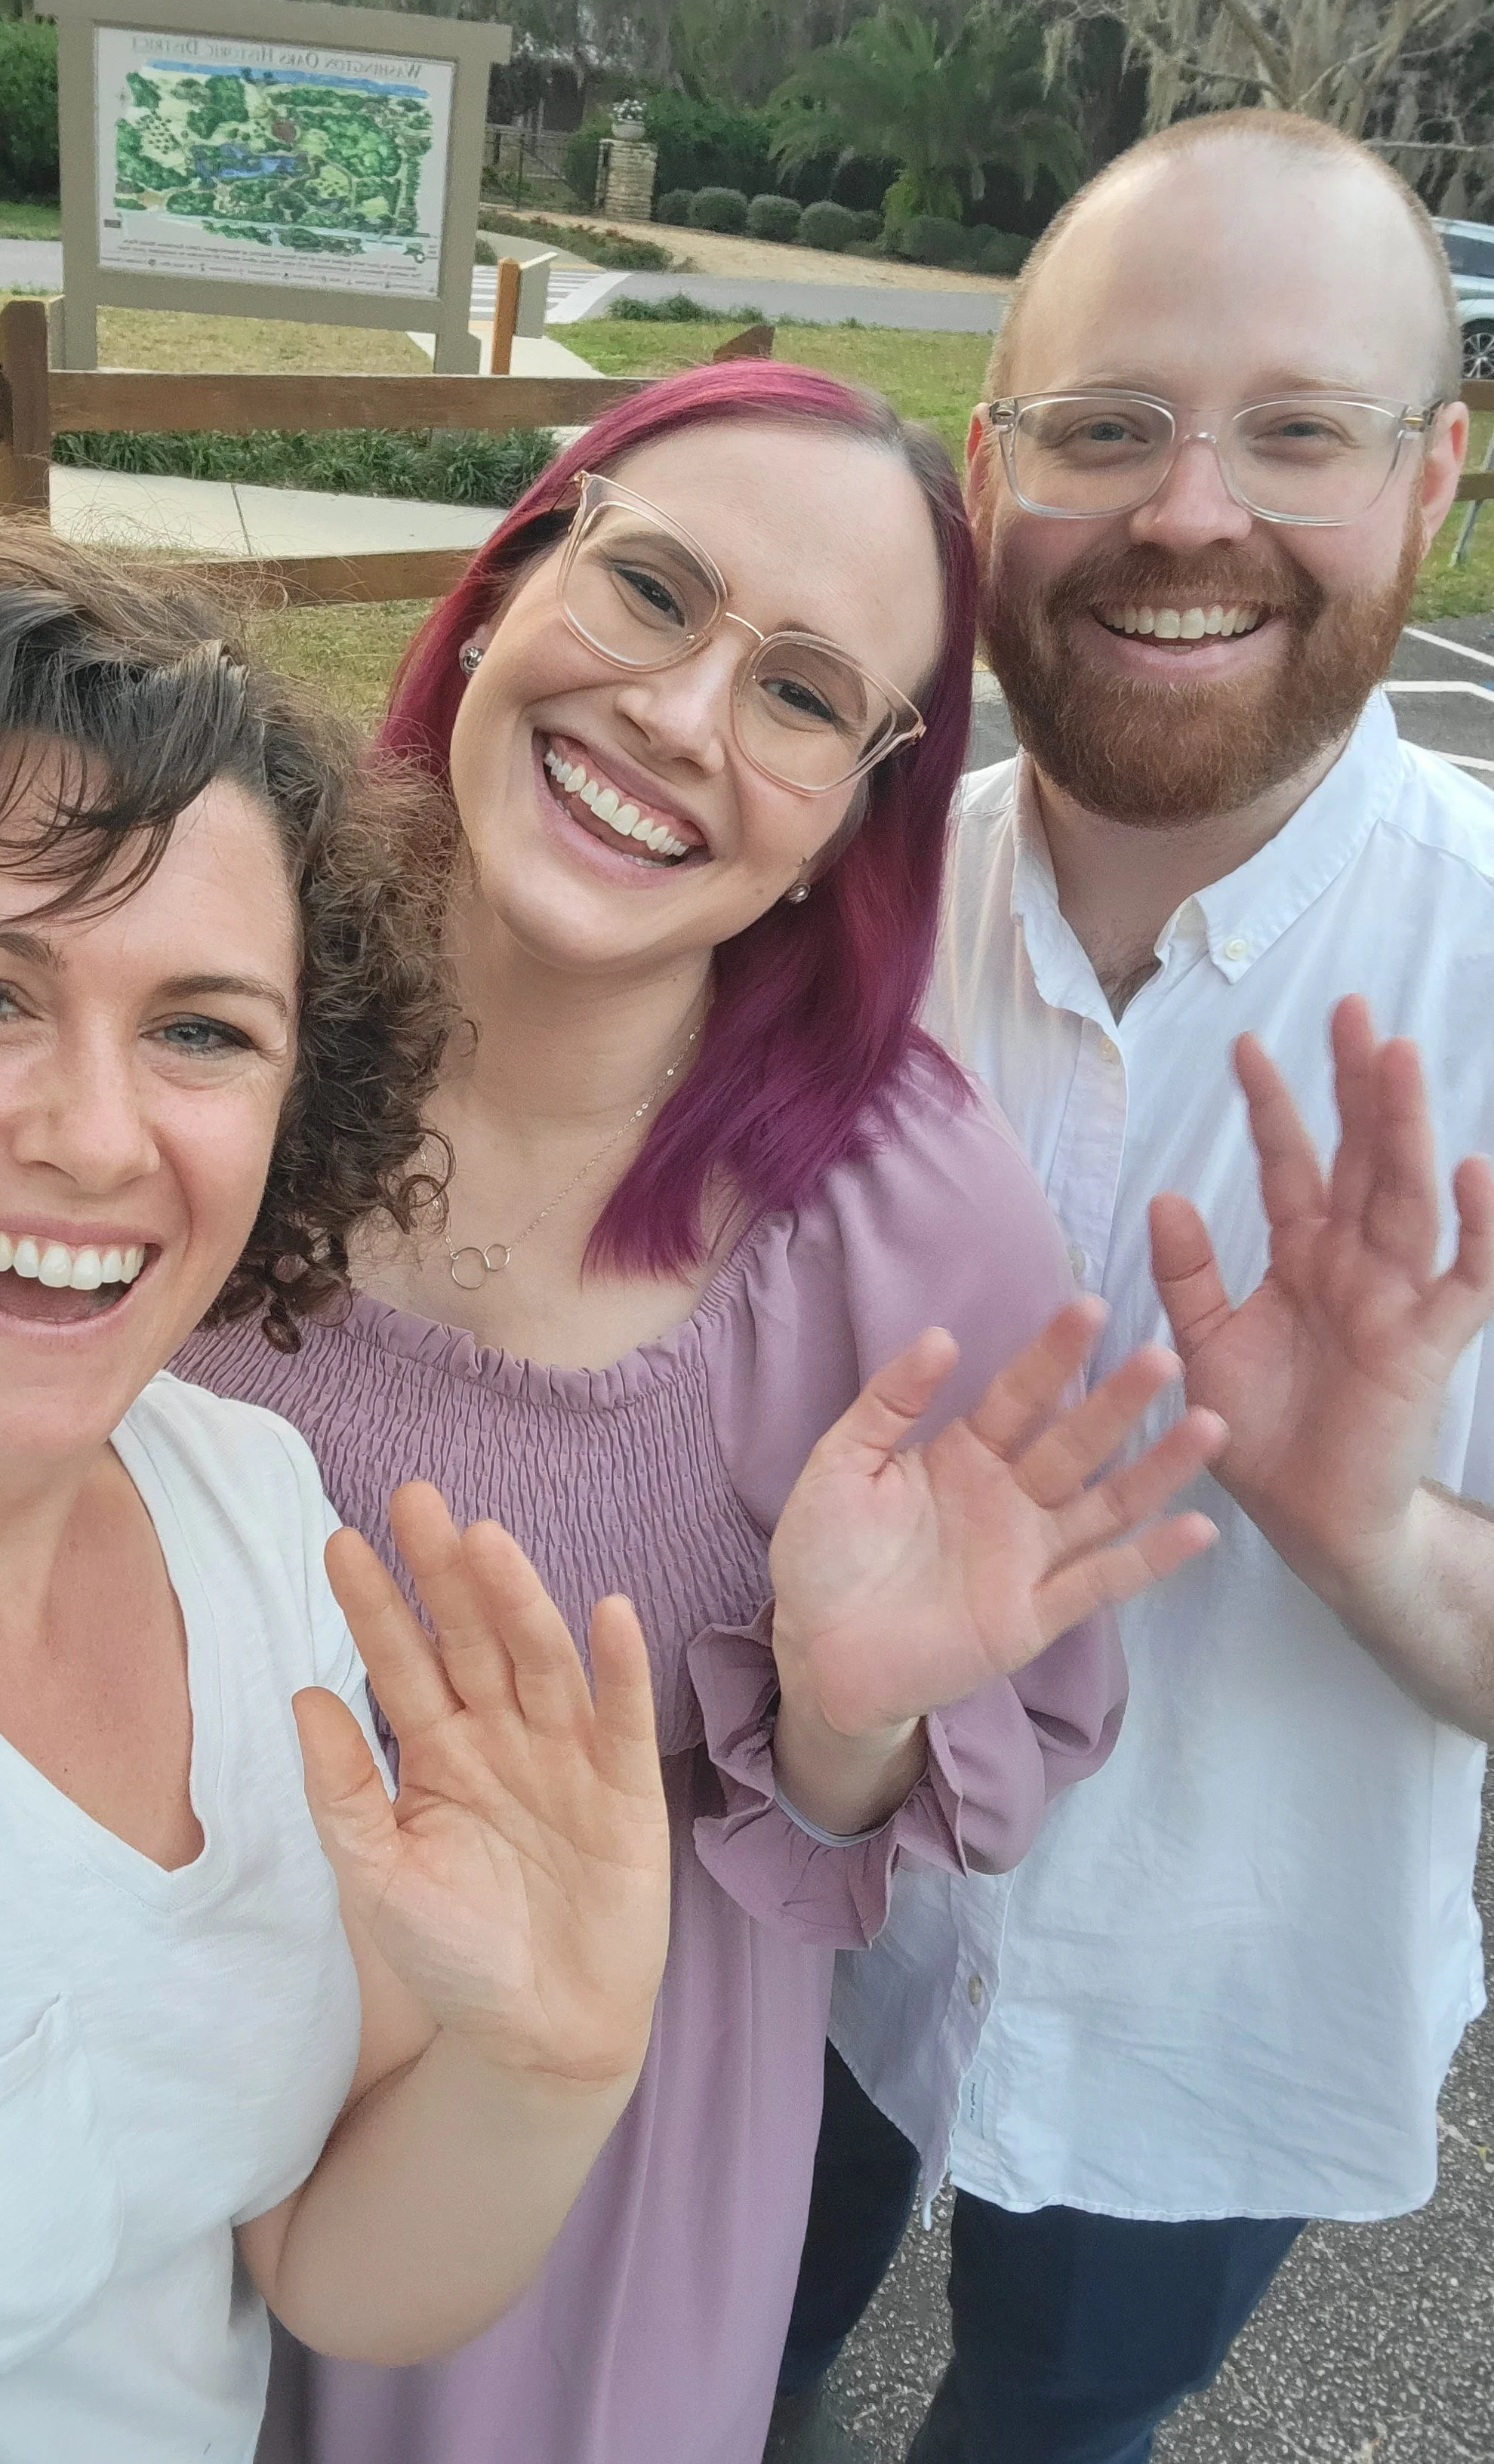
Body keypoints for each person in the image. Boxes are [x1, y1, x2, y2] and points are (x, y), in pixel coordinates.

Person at [176, 362, 1226, 2464]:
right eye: (650, 589)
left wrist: (843, 1710)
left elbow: (895, 1795)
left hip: (561, 2177)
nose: (675, 717)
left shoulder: (903, 1217)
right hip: (101, 2044)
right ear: (502, 589)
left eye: (803, 695)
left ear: (862, 802)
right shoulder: (205, 974)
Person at [0, 522, 685, 2463]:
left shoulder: (252, 1503)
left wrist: (552, 2054)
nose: (99, 1136)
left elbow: (322, 2267)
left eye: (201, 1030)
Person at [776, 110, 1494, 2464]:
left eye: (1299, 429)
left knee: (1047, 2433)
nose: (1188, 510)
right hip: (803, 1912)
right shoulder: (821, 904)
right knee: (715, 2368)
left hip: (1214, 1997)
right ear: (991, 475)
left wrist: (1365, 1525)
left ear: (1434, 479)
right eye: (1106, 426)